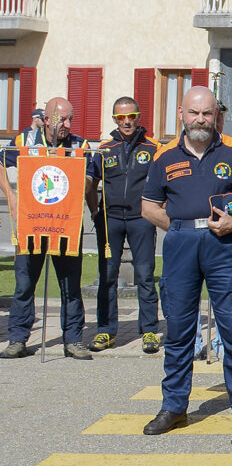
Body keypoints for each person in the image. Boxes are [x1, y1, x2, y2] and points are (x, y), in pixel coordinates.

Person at [140, 86, 232, 436]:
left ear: (216, 116)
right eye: (194, 113)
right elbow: (148, 207)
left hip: (226, 246)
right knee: (177, 330)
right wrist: (179, 227)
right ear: (181, 114)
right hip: (181, 246)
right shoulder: (164, 157)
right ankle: (173, 406)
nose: (201, 120)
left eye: (207, 113)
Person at [0, 98, 96, 360]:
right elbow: (3, 161)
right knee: (24, 285)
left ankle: (73, 340)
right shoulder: (24, 141)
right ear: (46, 119)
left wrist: (81, 188)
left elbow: (92, 175)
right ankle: (18, 339)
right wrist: (11, 195)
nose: (66, 125)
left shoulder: (80, 145)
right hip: (32, 225)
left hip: (66, 227)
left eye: (70, 119)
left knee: (70, 287)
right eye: (61, 119)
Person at [85, 97, 161, 354]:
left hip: (142, 219)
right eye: (121, 117)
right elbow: (90, 185)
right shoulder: (104, 149)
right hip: (110, 220)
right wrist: (96, 212)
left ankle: (150, 330)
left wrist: (158, 212)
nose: (127, 122)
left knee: (145, 275)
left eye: (131, 116)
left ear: (139, 117)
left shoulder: (153, 148)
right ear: (114, 118)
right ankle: (106, 331)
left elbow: (164, 186)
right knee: (106, 276)